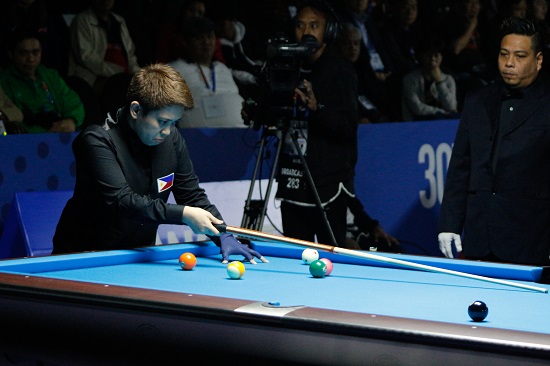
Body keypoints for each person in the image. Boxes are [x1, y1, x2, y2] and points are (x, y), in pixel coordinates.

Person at [52, 63, 268, 265]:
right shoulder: (97, 140)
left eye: (174, 123)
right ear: (136, 111)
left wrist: (223, 235)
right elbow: (122, 201)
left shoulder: (171, 139)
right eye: (163, 122)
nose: (167, 131)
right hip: (83, 257)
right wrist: (183, 214)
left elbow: (192, 196)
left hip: (137, 256)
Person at [438, 16, 550, 266]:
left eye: (520, 56)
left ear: (538, 60)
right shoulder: (477, 100)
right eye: (504, 54)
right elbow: (460, 166)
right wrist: (449, 223)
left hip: (532, 241)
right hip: (479, 238)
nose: (509, 63)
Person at [273, 0, 358, 248]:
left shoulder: (341, 71)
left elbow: (347, 127)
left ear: (328, 31)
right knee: (295, 258)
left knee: (333, 256)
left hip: (326, 185)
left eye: (314, 25)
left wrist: (316, 109)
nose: (306, 32)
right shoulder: (287, 67)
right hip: (292, 181)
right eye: (300, 25)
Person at [0, 27, 84, 133]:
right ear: (11, 54)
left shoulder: (51, 76)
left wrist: (70, 120)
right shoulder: (4, 81)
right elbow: (13, 121)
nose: (30, 59)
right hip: (29, 139)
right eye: (23, 53)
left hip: (62, 133)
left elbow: (73, 103)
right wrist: (47, 132)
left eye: (35, 52)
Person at [168, 16, 246, 128]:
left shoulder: (222, 68)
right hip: (197, 139)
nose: (206, 42)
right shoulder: (174, 70)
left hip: (240, 134)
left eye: (210, 37)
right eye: (199, 38)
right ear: (186, 43)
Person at [67, 0, 140, 96]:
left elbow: (130, 54)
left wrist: (137, 75)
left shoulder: (119, 21)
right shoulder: (82, 20)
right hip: (93, 79)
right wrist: (117, 72)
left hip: (123, 77)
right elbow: (86, 57)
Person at [401, 37, 459, 121]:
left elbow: (451, 107)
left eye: (436, 55)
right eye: (428, 55)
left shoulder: (448, 79)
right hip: (418, 123)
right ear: (421, 57)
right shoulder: (409, 79)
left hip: (443, 121)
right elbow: (417, 108)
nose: (432, 59)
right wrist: (441, 112)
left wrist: (439, 82)